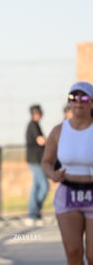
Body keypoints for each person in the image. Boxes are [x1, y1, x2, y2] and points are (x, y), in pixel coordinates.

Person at [42, 81, 93, 265]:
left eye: (84, 97)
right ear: (69, 102)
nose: (79, 101)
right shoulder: (59, 130)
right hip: (68, 194)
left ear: (92, 102)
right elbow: (46, 161)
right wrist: (52, 174)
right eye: (74, 97)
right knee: (73, 251)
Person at [25, 104, 49, 224]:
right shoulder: (33, 125)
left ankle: (34, 214)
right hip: (35, 161)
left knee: (36, 187)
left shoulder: (36, 125)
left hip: (38, 160)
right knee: (44, 187)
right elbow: (41, 140)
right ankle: (34, 212)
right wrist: (52, 140)